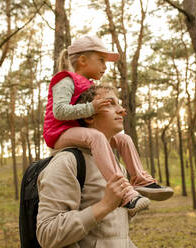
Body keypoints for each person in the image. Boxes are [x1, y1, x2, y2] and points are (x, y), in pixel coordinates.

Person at [43, 35, 173, 215]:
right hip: (59, 132)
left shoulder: (89, 85)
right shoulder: (65, 80)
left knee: (123, 139)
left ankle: (140, 179)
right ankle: (125, 192)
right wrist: (91, 107)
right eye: (101, 60)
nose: (105, 66)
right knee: (96, 137)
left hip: (79, 130)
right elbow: (59, 111)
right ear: (82, 60)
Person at [37, 85, 140, 247]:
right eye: (110, 103)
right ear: (89, 116)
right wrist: (105, 205)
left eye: (118, 104)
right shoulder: (67, 161)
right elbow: (47, 234)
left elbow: (113, 233)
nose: (121, 110)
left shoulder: (117, 166)